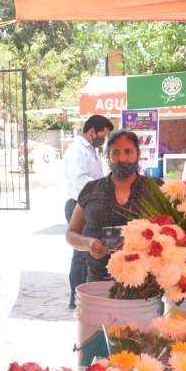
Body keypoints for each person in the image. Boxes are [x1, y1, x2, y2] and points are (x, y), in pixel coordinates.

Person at [66, 130, 161, 284]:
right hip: (99, 280)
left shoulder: (155, 189)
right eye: (115, 152)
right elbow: (71, 233)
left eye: (128, 151)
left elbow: (172, 234)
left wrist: (140, 242)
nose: (122, 158)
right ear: (107, 155)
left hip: (146, 285)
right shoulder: (91, 189)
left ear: (138, 154)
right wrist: (89, 244)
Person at [63, 115, 112, 308]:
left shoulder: (90, 149)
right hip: (78, 206)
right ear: (92, 131)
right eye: (103, 135)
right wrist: (103, 188)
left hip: (92, 205)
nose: (104, 139)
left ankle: (89, 295)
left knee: (93, 251)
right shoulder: (77, 149)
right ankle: (76, 299)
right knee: (81, 254)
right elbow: (79, 178)